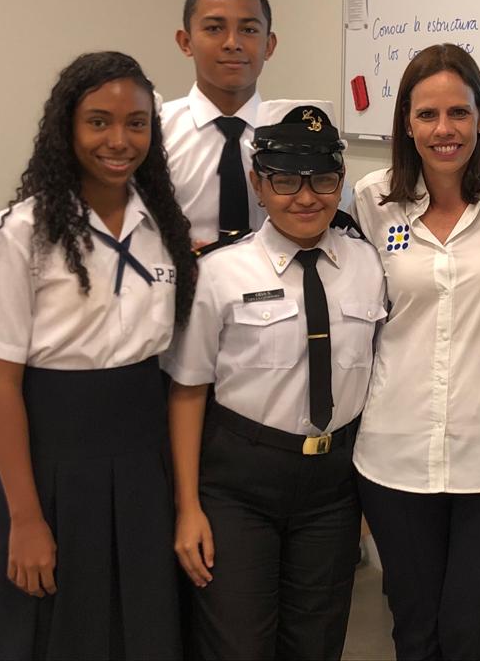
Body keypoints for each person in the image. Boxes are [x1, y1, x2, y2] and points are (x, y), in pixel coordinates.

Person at [0, 51, 194, 659]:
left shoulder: (162, 226)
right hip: (53, 462)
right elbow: (1, 385)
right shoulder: (19, 233)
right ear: (67, 127)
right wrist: (25, 518)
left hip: (143, 459)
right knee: (46, 627)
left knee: (137, 622)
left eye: (136, 123)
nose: (119, 140)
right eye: (98, 122)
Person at [165, 101, 386, 660]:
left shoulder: (368, 265)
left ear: (341, 181)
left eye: (323, 180)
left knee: (317, 642)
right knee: (238, 643)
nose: (306, 197)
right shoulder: (219, 273)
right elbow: (188, 391)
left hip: (333, 488)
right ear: (257, 184)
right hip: (239, 486)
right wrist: (187, 507)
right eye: (286, 180)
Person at [351, 44, 480, 661]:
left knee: (477, 634)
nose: (445, 129)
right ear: (407, 125)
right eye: (428, 115)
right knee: (415, 632)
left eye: (459, 113)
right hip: (396, 453)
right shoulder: (370, 200)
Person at [163, 0, 278, 250]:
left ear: (269, 45)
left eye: (249, 30)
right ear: (185, 42)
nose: (232, 43)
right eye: (214, 28)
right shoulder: (154, 132)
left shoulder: (289, 133)